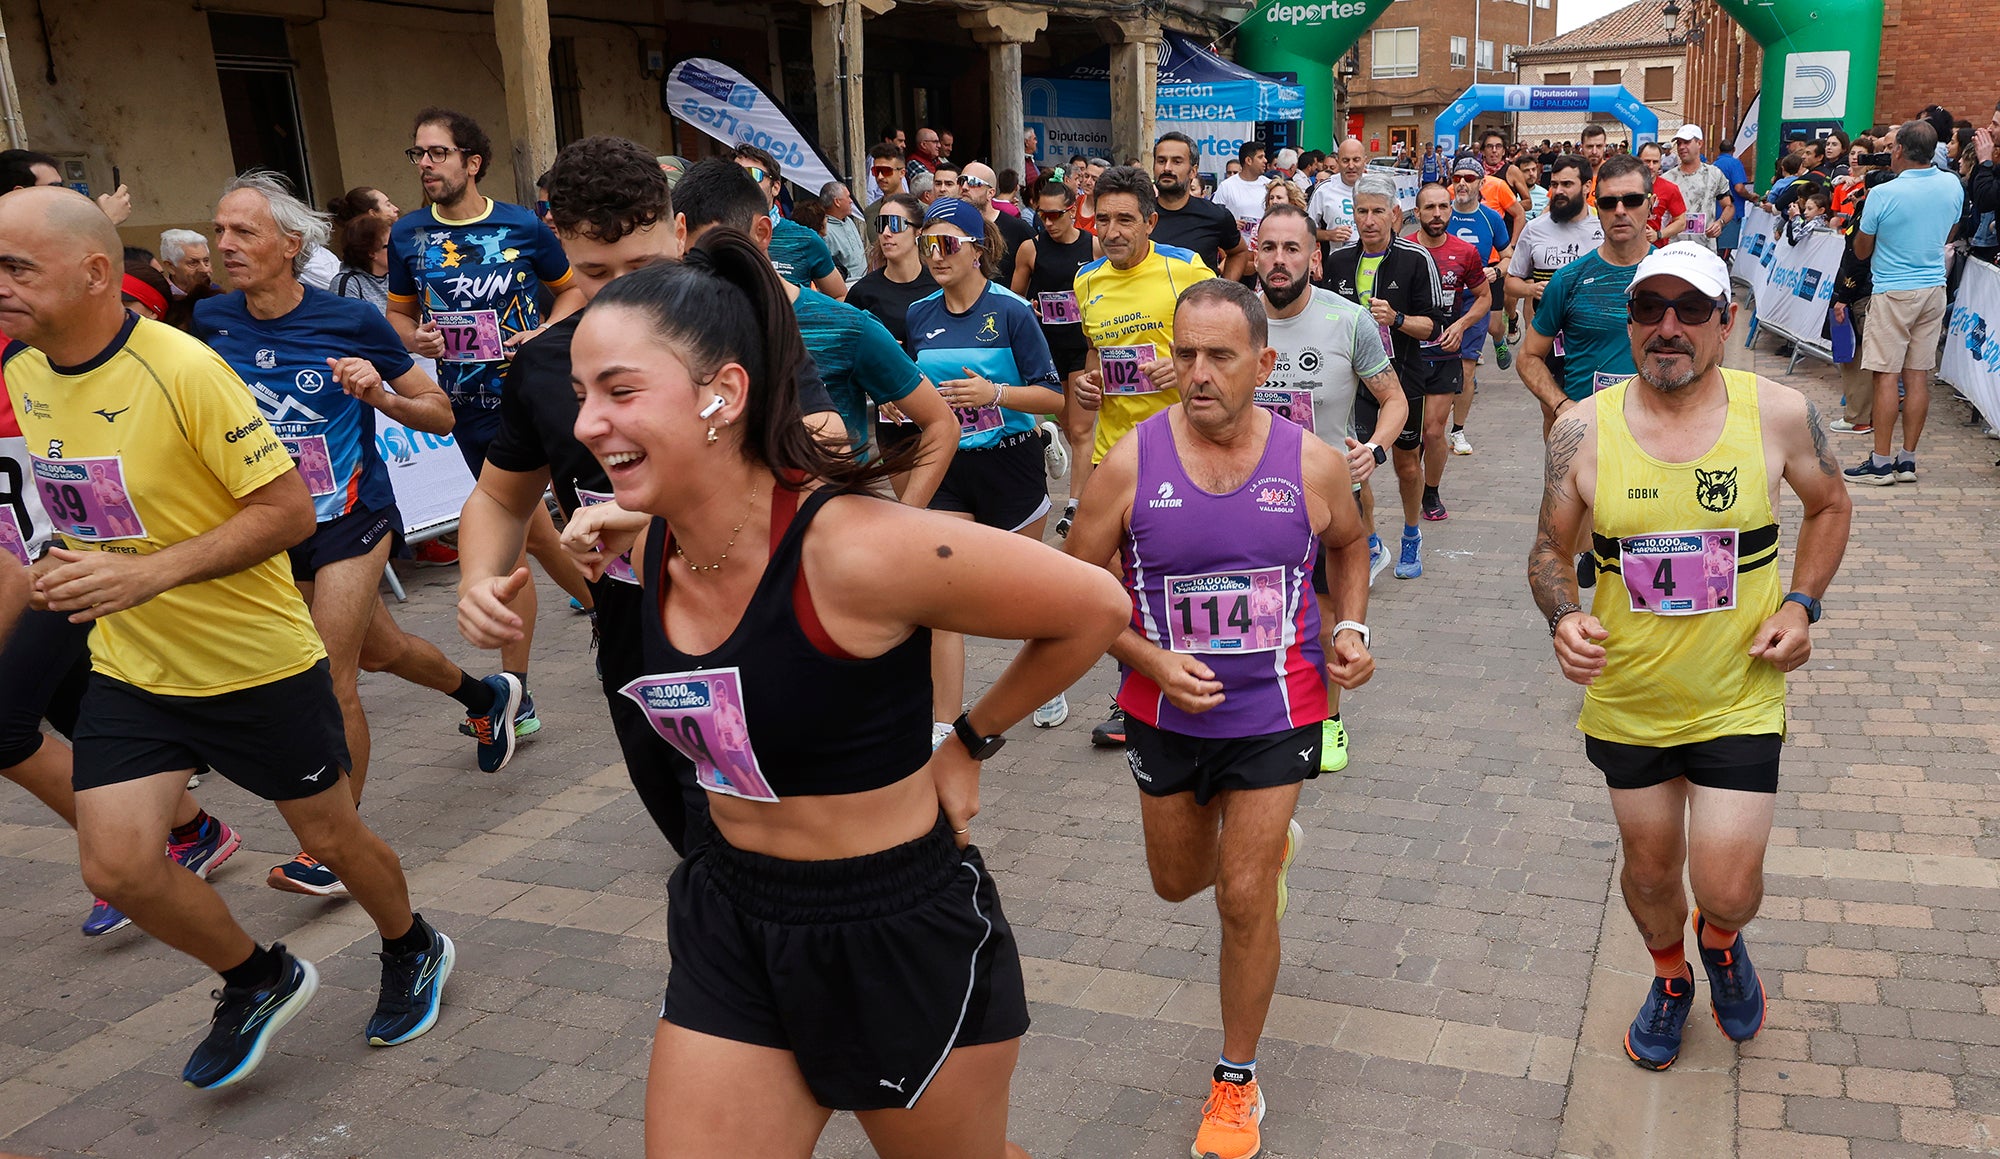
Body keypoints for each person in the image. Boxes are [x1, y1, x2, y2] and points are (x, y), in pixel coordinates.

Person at [559, 227, 1127, 1159]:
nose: (586, 422)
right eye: (584, 394)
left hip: (890, 926)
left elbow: (1094, 606)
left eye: (620, 391)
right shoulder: (655, 529)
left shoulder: (856, 549)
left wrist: (968, 741)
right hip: (731, 908)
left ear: (724, 394)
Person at [0, 185, 454, 1087]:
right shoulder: (24, 372)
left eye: (16, 267)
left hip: (255, 662)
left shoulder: (185, 368)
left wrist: (147, 571)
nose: (0, 285)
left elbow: (286, 512)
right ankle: (258, 975)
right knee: (119, 864)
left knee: (331, 836)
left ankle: (411, 943)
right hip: (136, 664)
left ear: (96, 272)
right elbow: (66, 520)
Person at [1065, 278, 1375, 1159]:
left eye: (1219, 356)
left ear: (1263, 363)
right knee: (1176, 881)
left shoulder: (1310, 460)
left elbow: (1348, 544)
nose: (1196, 374)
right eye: (1185, 354)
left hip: (1280, 708)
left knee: (1243, 896)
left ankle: (1235, 1081)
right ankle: (1255, 853)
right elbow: (1077, 593)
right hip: (1163, 712)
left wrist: (1348, 626)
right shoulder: (1129, 464)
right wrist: (1150, 657)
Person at [1529, 240, 1851, 1072]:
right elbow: (1547, 552)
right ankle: (1671, 978)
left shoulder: (1777, 413)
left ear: (1725, 322)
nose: (1667, 328)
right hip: (1630, 697)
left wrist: (1801, 604)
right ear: (1629, 321)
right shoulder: (1579, 427)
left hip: (1738, 690)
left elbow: (1831, 505)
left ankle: (1723, 941)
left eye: (1690, 311)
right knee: (1648, 873)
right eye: (1648, 309)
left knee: (1730, 886)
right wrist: (1564, 615)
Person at [461, 135, 825, 856]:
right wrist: (477, 579)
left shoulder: (744, 327)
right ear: (562, 250)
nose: (623, 288)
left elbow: (825, 447)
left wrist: (648, 514)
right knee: (693, 843)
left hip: (767, 627)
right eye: (596, 272)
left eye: (645, 265)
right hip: (636, 651)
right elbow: (501, 499)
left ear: (681, 233)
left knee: (781, 848)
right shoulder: (542, 363)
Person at [195, 171, 520, 898]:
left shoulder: (350, 320)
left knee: (330, 675)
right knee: (382, 650)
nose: (226, 245)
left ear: (290, 244)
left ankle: (336, 846)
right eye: (219, 230)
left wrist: (379, 393)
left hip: (353, 516)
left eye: (243, 231)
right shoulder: (210, 320)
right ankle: (485, 695)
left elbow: (437, 412)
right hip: (274, 524)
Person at [388, 106, 594, 740]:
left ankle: (519, 693)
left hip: (529, 397)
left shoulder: (522, 226)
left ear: (470, 162)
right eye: (417, 154)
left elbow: (574, 290)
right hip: (466, 411)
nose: (425, 165)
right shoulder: (408, 237)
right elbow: (396, 319)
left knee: (518, 541)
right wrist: (415, 338)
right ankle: (606, 611)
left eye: (437, 153)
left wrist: (543, 333)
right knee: (527, 534)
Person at [680, 160, 957, 500]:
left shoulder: (847, 326)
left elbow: (941, 424)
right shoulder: (674, 327)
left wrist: (906, 518)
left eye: (718, 255)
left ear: (762, 234)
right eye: (691, 259)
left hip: (829, 536)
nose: (703, 273)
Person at [1254, 202, 1406, 771]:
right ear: (1255, 252)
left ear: (1314, 258)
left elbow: (1393, 398)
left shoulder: (1348, 320)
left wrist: (1374, 449)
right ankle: (1262, 712)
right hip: (1246, 499)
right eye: (1269, 247)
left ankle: (1328, 717)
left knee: (1322, 617)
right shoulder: (1236, 317)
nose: (1279, 260)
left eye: (1293, 248)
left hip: (1325, 501)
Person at [908, 196, 1069, 733]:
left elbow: (1054, 399)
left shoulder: (1010, 312)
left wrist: (994, 392)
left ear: (977, 249)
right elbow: (916, 387)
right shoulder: (919, 314)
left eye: (947, 243)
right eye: (927, 242)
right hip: (950, 466)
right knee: (941, 596)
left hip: (1011, 463)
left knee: (1024, 593)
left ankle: (1045, 686)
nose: (935, 253)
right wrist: (900, 400)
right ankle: (943, 723)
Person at [1071, 165, 1219, 749]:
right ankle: (1132, 691)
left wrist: (1181, 366)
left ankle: (1201, 678)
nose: (1111, 230)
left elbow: (1223, 335)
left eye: (1125, 219)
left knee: (1181, 571)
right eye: (1102, 219)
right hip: (1116, 450)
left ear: (1150, 223)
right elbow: (1095, 351)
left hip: (1182, 445)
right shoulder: (1087, 280)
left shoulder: (1184, 269)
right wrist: (1087, 384)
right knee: (1113, 578)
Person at [1323, 173, 1451, 583]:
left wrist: (1396, 319)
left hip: (1403, 379)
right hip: (1353, 382)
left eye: (1378, 211)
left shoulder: (1416, 259)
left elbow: (1434, 327)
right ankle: (1372, 540)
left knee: (1406, 466)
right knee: (1356, 465)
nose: (1369, 220)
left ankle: (1412, 533)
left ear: (1395, 215)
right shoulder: (1339, 261)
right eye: (1362, 211)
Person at [1840, 119, 1960, 485]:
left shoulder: (1883, 194)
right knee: (1918, 376)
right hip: (1932, 288)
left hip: (1893, 289)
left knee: (1886, 377)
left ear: (1899, 150)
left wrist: (1865, 217)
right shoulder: (1951, 183)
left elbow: (1862, 250)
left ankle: (1880, 462)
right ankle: (1907, 460)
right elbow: (1951, 231)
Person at [1009, 174, 1100, 536]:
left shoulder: (1093, 247)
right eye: (1041, 215)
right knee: (1065, 421)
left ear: (1072, 210)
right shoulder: (1030, 249)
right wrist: (1028, 306)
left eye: (1055, 215)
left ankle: (1074, 505)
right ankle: (1052, 439)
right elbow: (1013, 300)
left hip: (1081, 348)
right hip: (1044, 350)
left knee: (1080, 430)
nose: (1048, 223)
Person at [1405, 182, 1491, 529]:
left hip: (1444, 353)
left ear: (1451, 211)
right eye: (1430, 208)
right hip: (1409, 354)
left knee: (1433, 431)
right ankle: (1412, 483)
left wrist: (1462, 325)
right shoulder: (1402, 250)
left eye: (1443, 207)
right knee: (1409, 436)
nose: (1437, 214)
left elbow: (1483, 297)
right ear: (1417, 212)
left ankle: (1431, 491)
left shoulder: (1465, 253)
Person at [1502, 152, 1602, 442]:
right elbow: (1511, 283)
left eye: (1567, 184)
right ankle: (1558, 471)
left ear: (1586, 186)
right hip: (1549, 337)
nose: (1558, 191)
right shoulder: (1535, 230)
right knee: (1553, 411)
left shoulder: (1603, 227)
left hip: (1593, 335)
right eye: (1554, 184)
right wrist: (1532, 290)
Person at [1436, 157, 1512, 454]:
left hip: (1475, 299)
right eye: (1457, 178)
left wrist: (1497, 271)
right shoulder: (1441, 214)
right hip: (1440, 300)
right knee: (1439, 364)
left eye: (1469, 177)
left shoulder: (1491, 218)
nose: (1462, 183)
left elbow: (1508, 255)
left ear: (1482, 182)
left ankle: (1457, 430)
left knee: (1466, 367)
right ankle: (1434, 426)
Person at [733, 146, 846, 299]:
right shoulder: (714, 236)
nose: (744, 183)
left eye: (753, 174)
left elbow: (840, 296)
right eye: (736, 176)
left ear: (776, 187)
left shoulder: (806, 240)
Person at [1151, 132, 1249, 280]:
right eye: (1161, 161)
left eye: (1177, 162)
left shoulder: (1215, 216)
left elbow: (1239, 252)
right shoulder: (1138, 214)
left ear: (1193, 171)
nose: (1167, 168)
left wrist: (1223, 292)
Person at [847, 193, 939, 347]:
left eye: (896, 224)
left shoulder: (939, 285)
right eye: (881, 224)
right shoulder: (862, 293)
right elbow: (848, 346)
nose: (886, 233)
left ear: (918, 231)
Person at [958, 161, 1034, 287]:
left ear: (991, 193)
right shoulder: (951, 226)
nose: (964, 187)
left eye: (973, 182)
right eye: (961, 181)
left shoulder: (1017, 228)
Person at [1663, 125, 1734, 253]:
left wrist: (1720, 223)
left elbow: (1729, 206)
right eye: (1679, 143)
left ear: (1699, 143)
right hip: (1673, 251)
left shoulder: (1714, 174)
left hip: (1705, 250)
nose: (1681, 147)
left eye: (1686, 142)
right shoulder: (1667, 179)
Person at [1308, 138, 1369, 262]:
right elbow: (1306, 229)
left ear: (1364, 161)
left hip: (1374, 260)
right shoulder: (1324, 189)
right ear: (1338, 162)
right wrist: (1329, 235)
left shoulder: (1378, 185)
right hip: (1339, 262)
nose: (1351, 166)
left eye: (1356, 160)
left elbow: (1396, 214)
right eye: (1345, 160)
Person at [1211, 141, 1272, 248]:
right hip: (1235, 249)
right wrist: (1230, 225)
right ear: (1248, 160)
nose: (1265, 161)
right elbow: (1214, 218)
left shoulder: (1269, 185)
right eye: (1260, 157)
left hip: (1264, 248)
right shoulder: (1227, 186)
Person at [333, 213, 393, 313]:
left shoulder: (395, 276)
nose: (399, 249)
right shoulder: (348, 283)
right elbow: (347, 324)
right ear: (371, 252)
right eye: (391, 245)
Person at [1636, 141, 1690, 243]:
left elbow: (1681, 222)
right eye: (1647, 161)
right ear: (1638, 161)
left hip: (1657, 251)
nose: (1651, 166)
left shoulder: (1670, 189)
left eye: (1655, 162)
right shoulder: (1627, 186)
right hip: (1628, 251)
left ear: (1660, 163)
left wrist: (1658, 234)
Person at [863, 142, 910, 250]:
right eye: (876, 171)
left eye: (886, 171)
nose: (880, 176)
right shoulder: (870, 212)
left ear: (902, 173)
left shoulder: (920, 210)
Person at [1713, 139, 1753, 260]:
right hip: (1730, 213)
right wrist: (1751, 197)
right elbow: (1739, 188)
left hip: (1714, 212)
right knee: (1724, 252)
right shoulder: (1735, 164)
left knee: (1715, 250)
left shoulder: (1714, 165)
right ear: (1733, 150)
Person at [815, 184, 863, 286]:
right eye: (848, 197)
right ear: (837, 202)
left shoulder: (849, 220)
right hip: (846, 289)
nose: (851, 201)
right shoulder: (824, 231)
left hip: (864, 284)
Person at [159, 228, 213, 298]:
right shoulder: (159, 300)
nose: (205, 270)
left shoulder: (217, 296)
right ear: (170, 267)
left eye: (206, 261)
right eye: (193, 263)